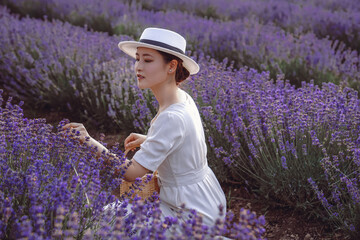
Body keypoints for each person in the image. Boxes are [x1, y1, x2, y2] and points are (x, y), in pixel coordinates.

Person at [63, 27, 226, 229]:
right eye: (137, 59)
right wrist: (152, 141)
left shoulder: (172, 117)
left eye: (147, 60)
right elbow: (185, 140)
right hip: (206, 199)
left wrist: (88, 141)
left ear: (171, 66)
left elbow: (133, 174)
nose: (138, 67)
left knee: (104, 222)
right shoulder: (182, 98)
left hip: (191, 213)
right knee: (107, 216)